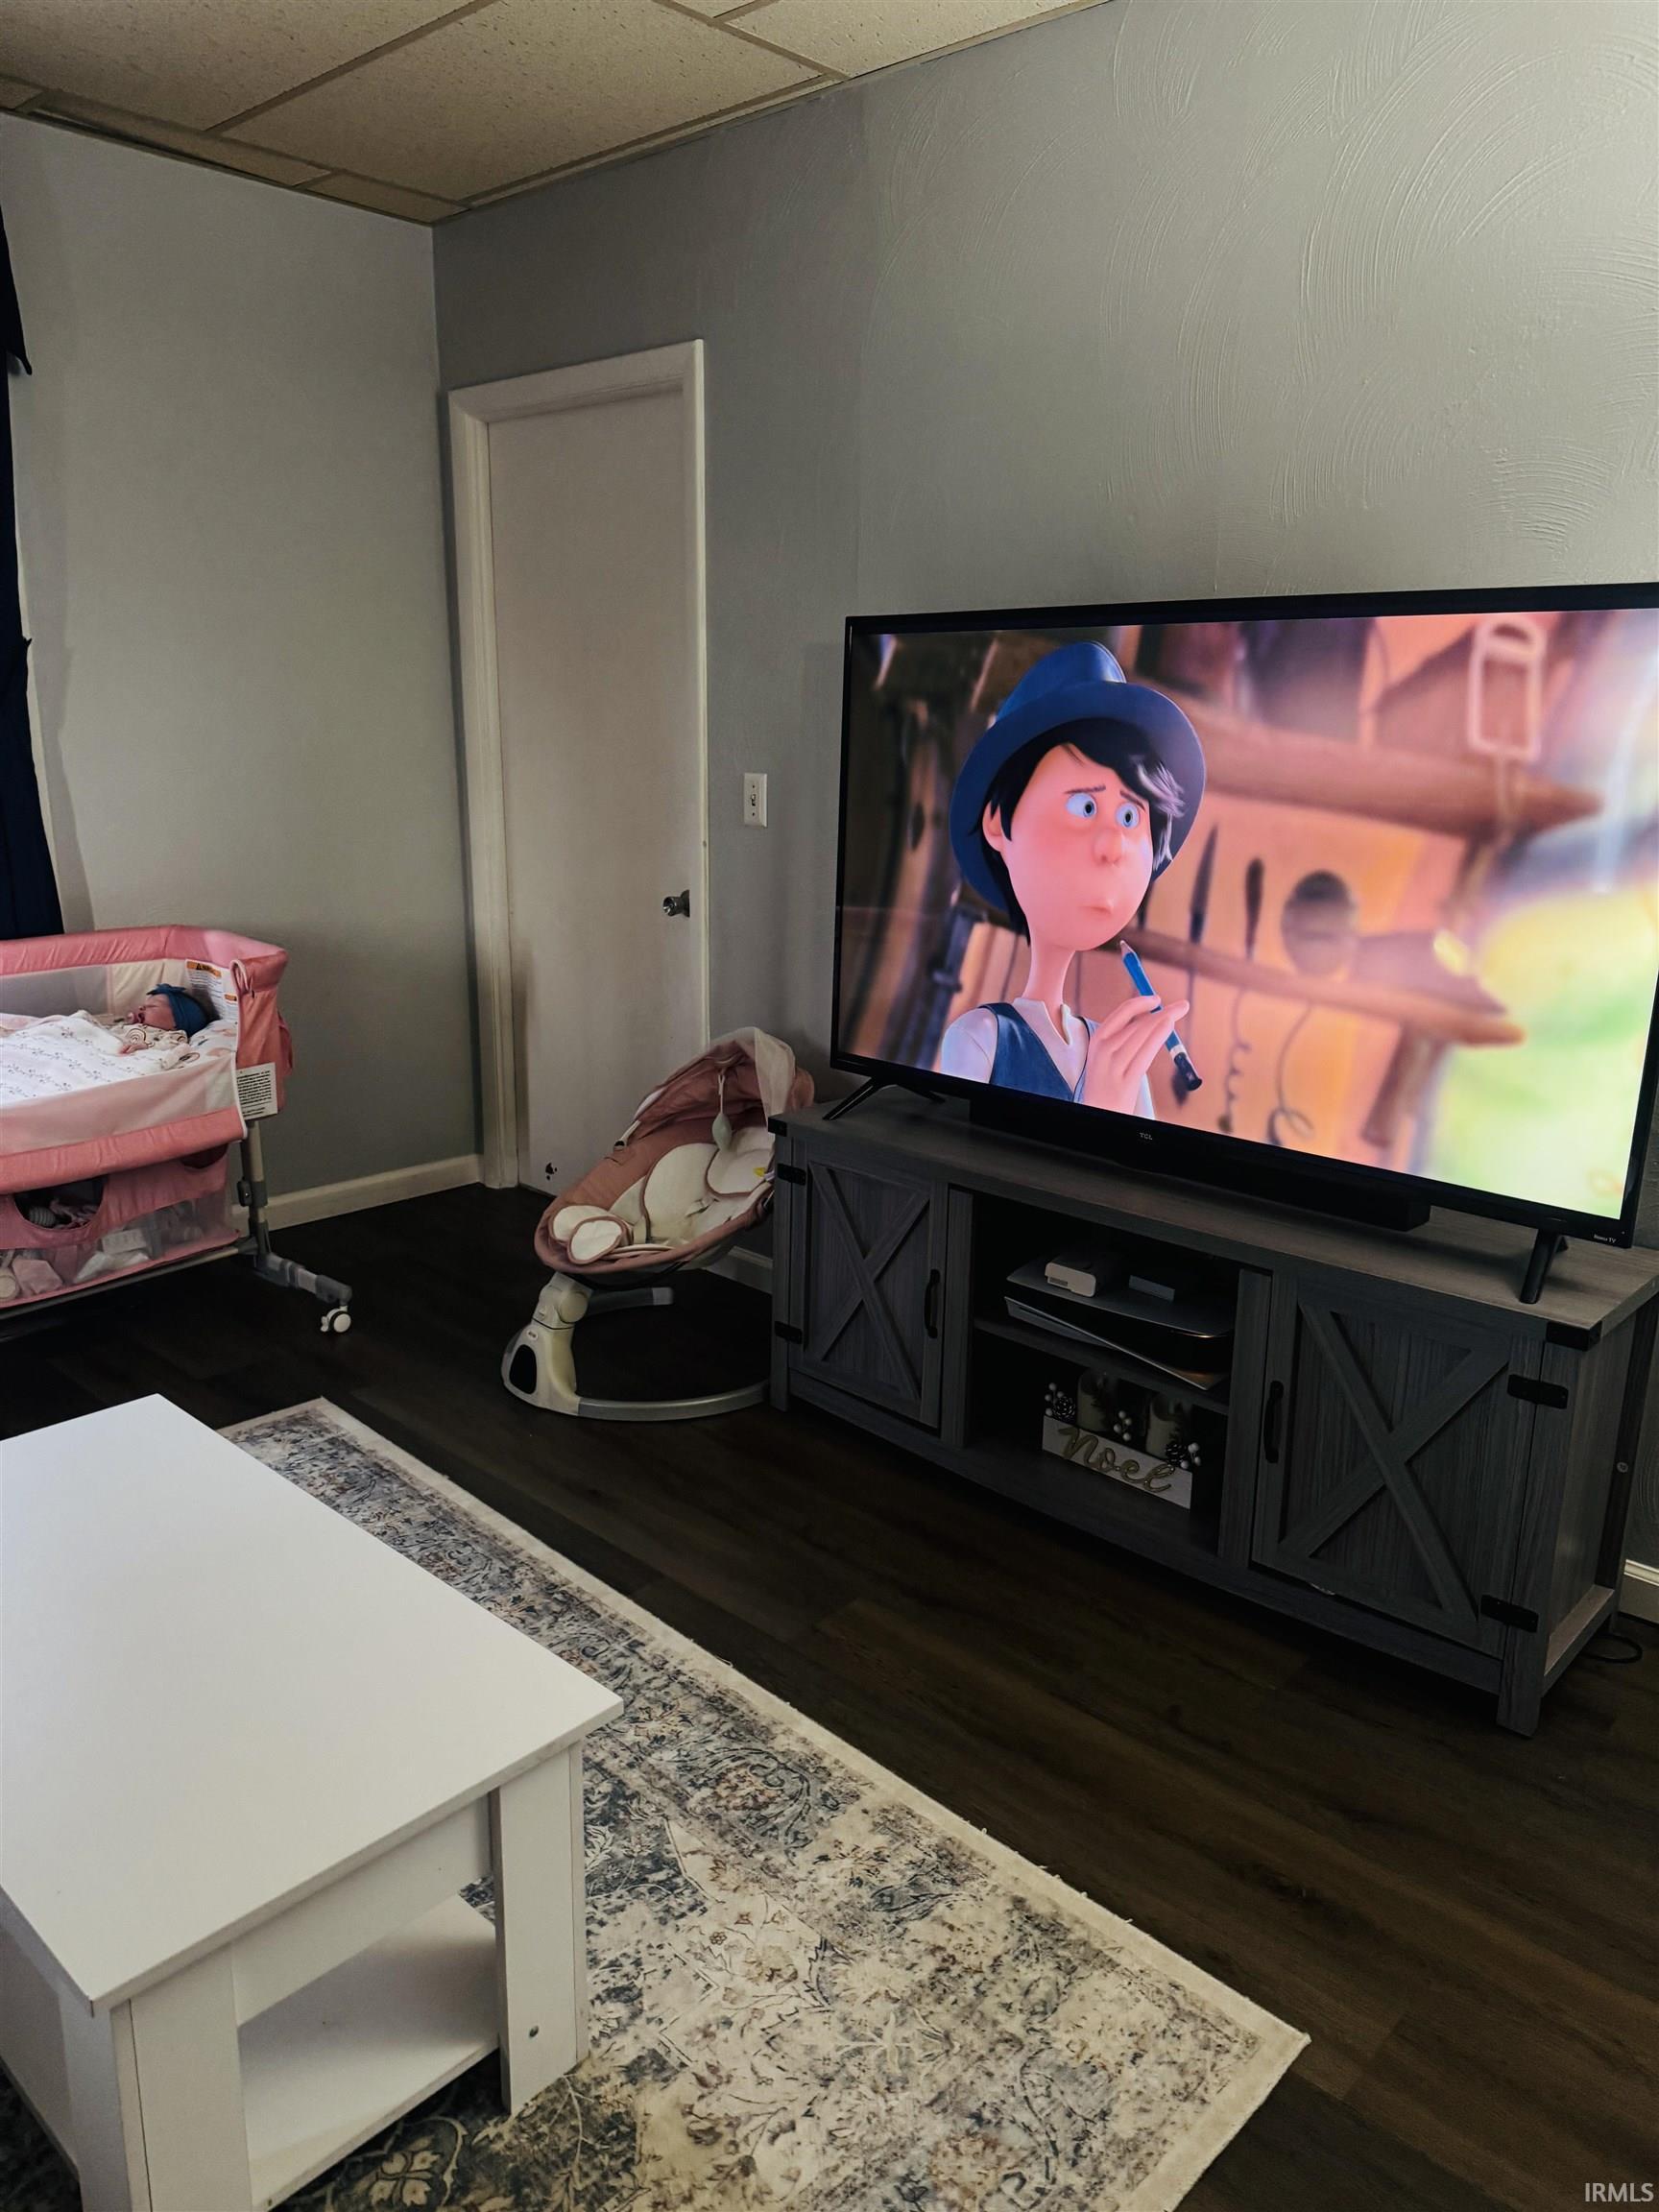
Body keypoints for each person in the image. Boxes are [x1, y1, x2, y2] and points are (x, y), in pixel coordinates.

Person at [941, 640, 1205, 1115]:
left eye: (1130, 817)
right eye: (1084, 806)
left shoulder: (1121, 1063)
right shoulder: (981, 1040)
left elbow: (1130, 1185)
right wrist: (1096, 1109)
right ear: (999, 824)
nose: (1112, 845)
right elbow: (961, 1169)